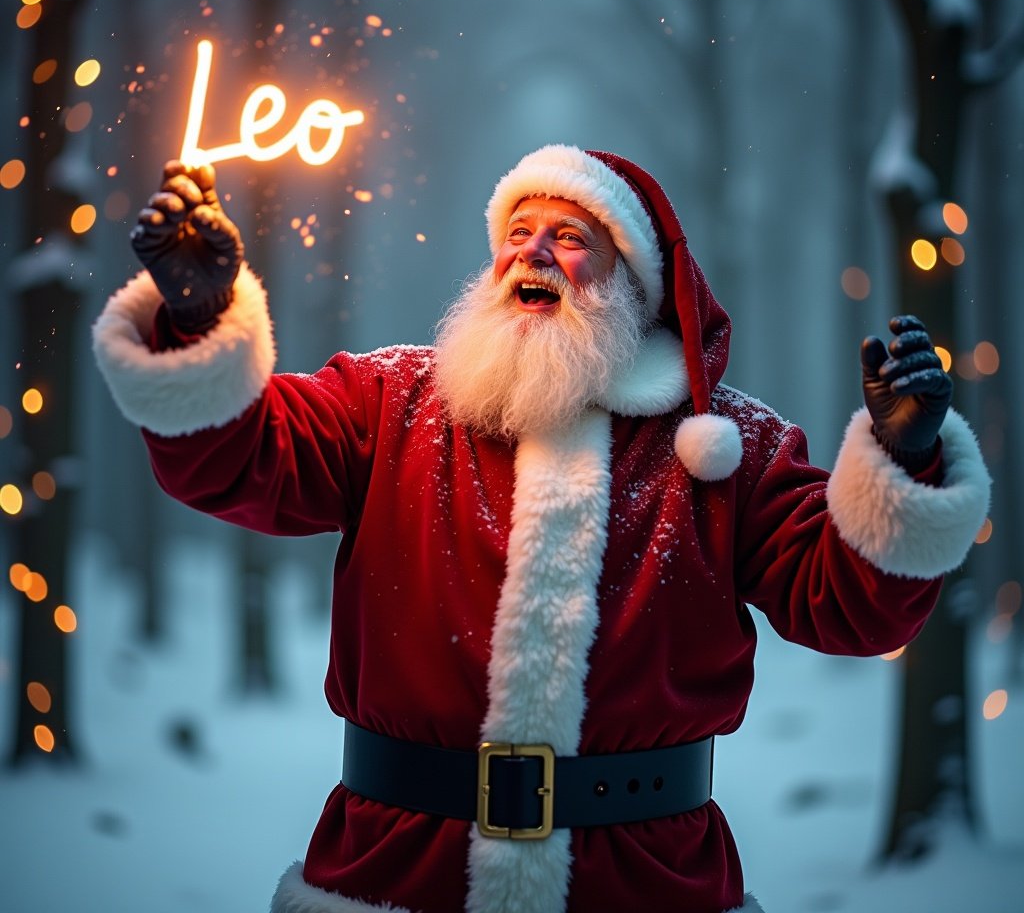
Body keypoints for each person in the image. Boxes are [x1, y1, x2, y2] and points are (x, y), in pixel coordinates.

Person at [92, 145, 990, 913]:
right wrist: (196, 323)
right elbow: (239, 458)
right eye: (518, 235)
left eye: (571, 238)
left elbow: (849, 607)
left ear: (635, 283)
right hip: (398, 871)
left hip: (644, 877)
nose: (536, 255)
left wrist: (900, 460)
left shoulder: (726, 445)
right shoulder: (392, 401)